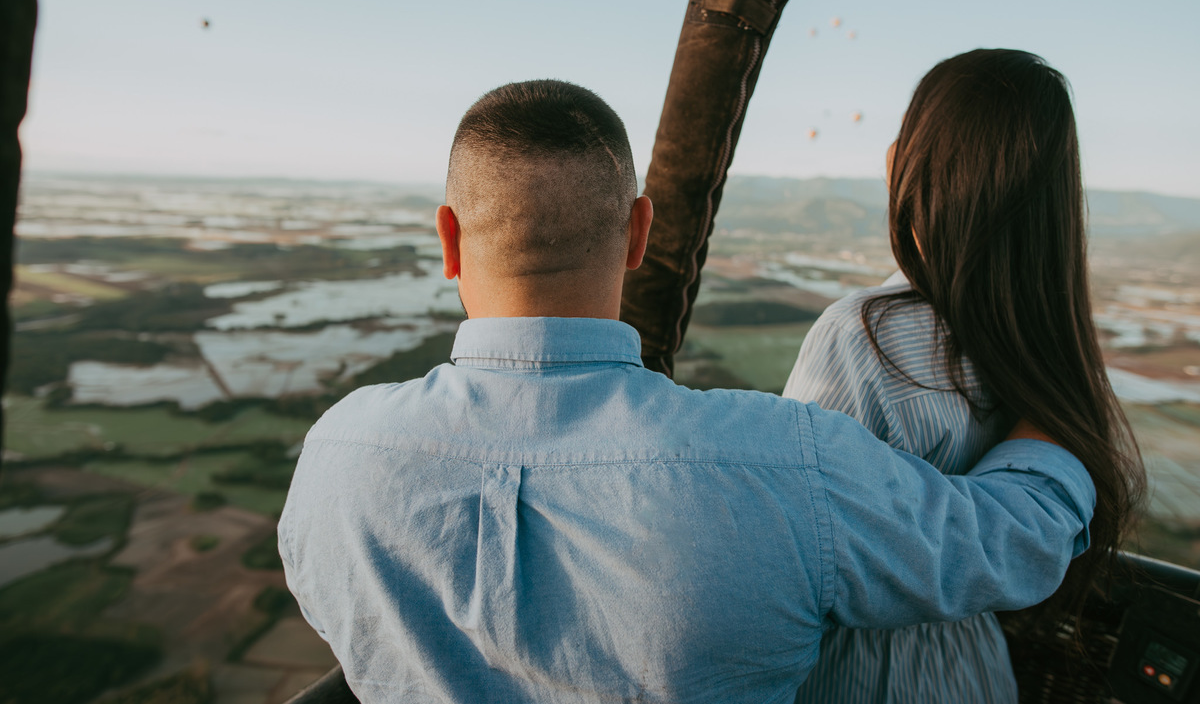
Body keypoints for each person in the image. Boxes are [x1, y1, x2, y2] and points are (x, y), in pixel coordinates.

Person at [278, 79, 1096, 704]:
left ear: (448, 240)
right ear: (640, 232)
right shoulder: (784, 466)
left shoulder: (336, 463)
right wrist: (1050, 394)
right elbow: (1010, 539)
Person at [785, 49, 1145, 704]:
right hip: (976, 672)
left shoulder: (864, 336)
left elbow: (796, 550)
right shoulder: (1046, 342)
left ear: (910, 165)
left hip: (860, 679)